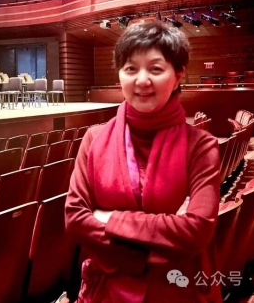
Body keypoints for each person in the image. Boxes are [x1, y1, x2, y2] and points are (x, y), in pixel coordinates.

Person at [65, 21, 221, 303]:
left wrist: (109, 217)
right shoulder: (94, 139)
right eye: (131, 69)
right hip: (106, 292)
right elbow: (76, 218)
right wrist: (149, 252)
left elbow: (196, 230)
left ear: (178, 75)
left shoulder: (201, 146)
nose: (142, 80)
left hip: (176, 291)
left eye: (156, 69)